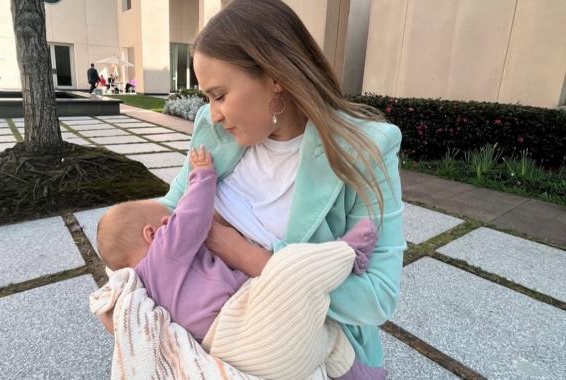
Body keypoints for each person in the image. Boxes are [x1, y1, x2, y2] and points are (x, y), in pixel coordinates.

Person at [155, 0, 406, 378]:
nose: (213, 112)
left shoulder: (365, 151)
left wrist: (246, 255)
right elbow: (169, 211)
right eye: (208, 97)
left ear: (275, 77)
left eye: (220, 94)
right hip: (205, 344)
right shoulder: (213, 128)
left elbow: (377, 297)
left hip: (303, 353)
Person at [96, 146, 378, 378]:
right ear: (152, 234)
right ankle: (349, 252)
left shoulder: (142, 290)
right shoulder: (161, 254)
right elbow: (192, 215)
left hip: (226, 350)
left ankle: (360, 375)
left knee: (325, 336)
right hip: (238, 328)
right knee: (288, 267)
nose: (172, 224)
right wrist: (202, 175)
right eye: (167, 221)